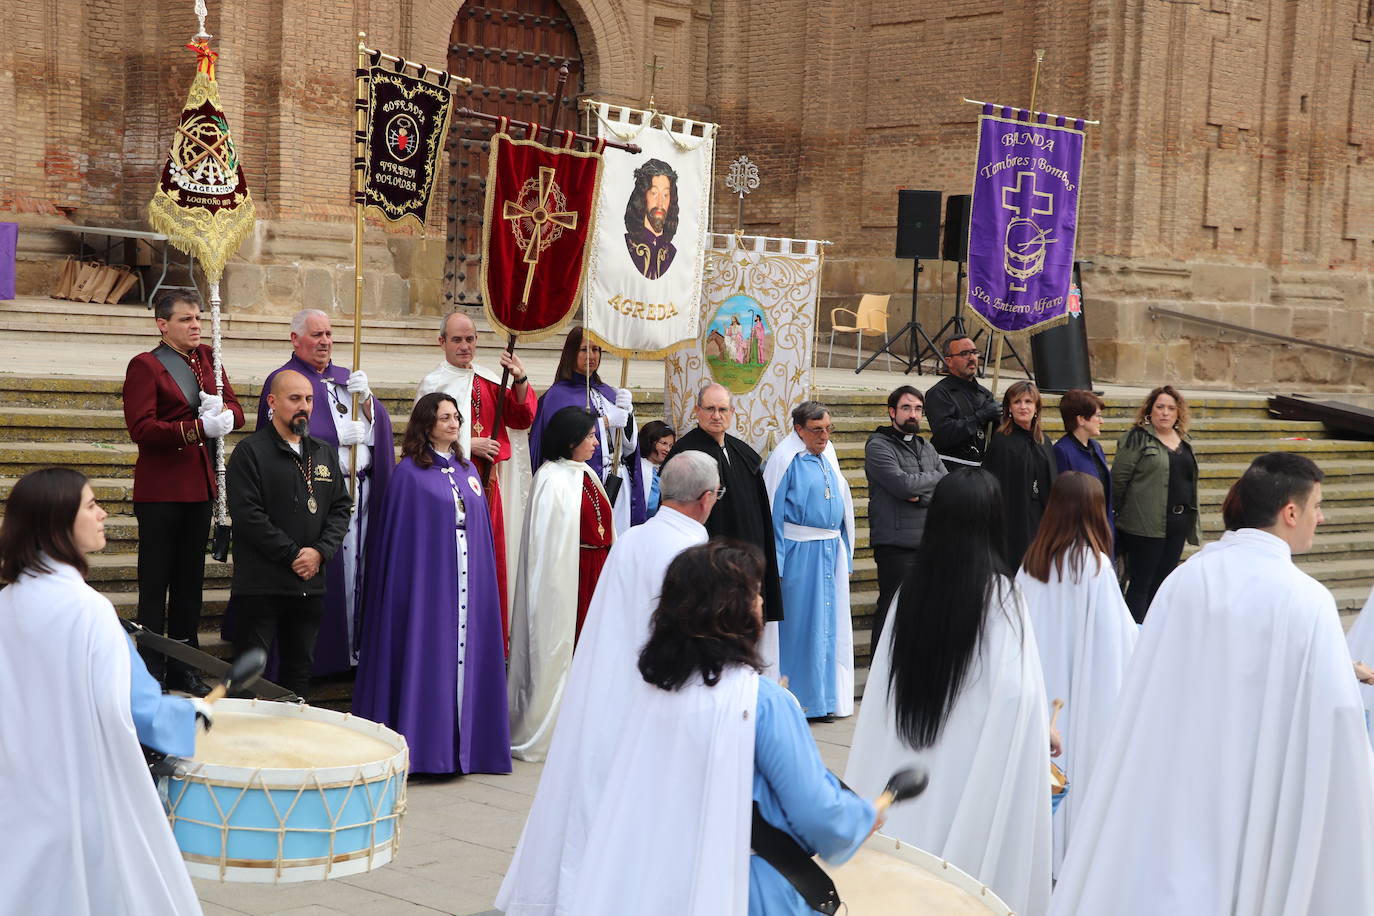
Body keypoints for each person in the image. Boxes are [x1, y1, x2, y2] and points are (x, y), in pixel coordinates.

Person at [1050, 453, 1374, 914]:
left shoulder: (1186, 578)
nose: (1321, 518)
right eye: (1318, 505)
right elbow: (1337, 719)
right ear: (1291, 512)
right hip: (1253, 797)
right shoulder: (1308, 601)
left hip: (1176, 786)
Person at [500, 541, 877, 915]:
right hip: (748, 885)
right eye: (756, 595)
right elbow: (814, 808)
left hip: (659, 880)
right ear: (732, 612)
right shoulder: (763, 702)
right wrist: (861, 818)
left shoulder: (654, 694)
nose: (762, 604)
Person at [496, 452, 720, 914]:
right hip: (661, 698)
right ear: (707, 499)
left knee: (595, 795)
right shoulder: (696, 556)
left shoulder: (633, 539)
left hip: (608, 691)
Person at [0, 467, 210, 915]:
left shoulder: (5, 607)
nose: (103, 514)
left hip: (15, 797)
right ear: (57, 523)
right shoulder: (89, 610)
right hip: (81, 795)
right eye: (91, 505)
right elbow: (133, 709)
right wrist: (193, 717)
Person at [845, 468, 1055, 916]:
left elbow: (882, 696)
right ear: (992, 520)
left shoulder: (908, 593)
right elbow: (1019, 696)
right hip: (972, 771)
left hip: (907, 772)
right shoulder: (1002, 599)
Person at [352, 393, 510, 775]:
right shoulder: (409, 475)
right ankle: (428, 751)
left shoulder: (468, 471)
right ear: (426, 425)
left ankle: (470, 749)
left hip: (468, 579)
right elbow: (403, 540)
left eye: (456, 417)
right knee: (428, 657)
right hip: (429, 584)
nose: (454, 424)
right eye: (444, 418)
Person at [242, 309, 393, 675]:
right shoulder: (285, 382)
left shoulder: (346, 379)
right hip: (316, 500)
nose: (325, 341)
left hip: (361, 494)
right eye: (316, 334)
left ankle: (357, 653)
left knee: (359, 573)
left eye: (329, 334)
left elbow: (379, 434)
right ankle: (326, 660)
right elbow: (282, 438)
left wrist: (370, 405)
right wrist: (335, 438)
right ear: (296, 339)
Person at [122, 288, 245, 694]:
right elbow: (142, 428)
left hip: (200, 485)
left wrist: (222, 415)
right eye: (186, 319)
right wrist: (197, 427)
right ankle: (150, 664)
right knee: (156, 581)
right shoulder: (146, 366)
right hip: (160, 488)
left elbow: (238, 412)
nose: (196, 325)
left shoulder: (211, 357)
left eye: (198, 318)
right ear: (163, 325)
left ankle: (184, 664)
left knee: (190, 582)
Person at [1015, 472, 1137, 876]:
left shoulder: (1031, 563)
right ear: (1093, 512)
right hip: (1080, 698)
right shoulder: (1096, 566)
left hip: (1036, 692)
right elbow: (1116, 642)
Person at [226, 369, 353, 699]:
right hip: (262, 585)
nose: (304, 406)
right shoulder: (250, 453)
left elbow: (341, 508)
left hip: (309, 584)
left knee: (298, 674)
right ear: (273, 401)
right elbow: (248, 515)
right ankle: (244, 748)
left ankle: (290, 742)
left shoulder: (323, 452)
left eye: (309, 399)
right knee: (250, 676)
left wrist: (320, 552)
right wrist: (292, 554)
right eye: (295, 398)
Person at [416, 310, 538, 640]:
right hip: (448, 485)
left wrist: (520, 379)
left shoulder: (488, 378)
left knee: (491, 557)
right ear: (442, 342)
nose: (464, 346)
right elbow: (421, 436)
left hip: (490, 482)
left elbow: (522, 417)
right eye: (456, 339)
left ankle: (490, 633)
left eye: (470, 339)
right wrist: (469, 444)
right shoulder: (433, 383)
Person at [507, 406, 614, 762]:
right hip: (569, 576)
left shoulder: (585, 473)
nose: (595, 443)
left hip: (596, 572)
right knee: (565, 649)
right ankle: (554, 726)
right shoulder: (551, 479)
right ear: (570, 440)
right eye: (589, 436)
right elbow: (546, 547)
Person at [763, 401, 856, 720]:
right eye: (817, 430)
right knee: (802, 629)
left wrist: (846, 549)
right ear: (799, 430)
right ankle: (799, 698)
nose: (825, 436)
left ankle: (825, 699)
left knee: (829, 629)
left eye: (829, 429)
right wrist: (776, 565)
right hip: (799, 554)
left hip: (829, 552)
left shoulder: (828, 454)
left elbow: (842, 506)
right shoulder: (785, 459)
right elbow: (772, 513)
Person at [665, 382, 785, 626]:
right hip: (711, 564)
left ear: (732, 413)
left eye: (722, 409)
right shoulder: (685, 455)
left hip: (748, 561)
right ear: (697, 411)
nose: (716, 416)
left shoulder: (742, 452)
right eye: (709, 409)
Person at [528, 327, 644, 532]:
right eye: (584, 349)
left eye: (596, 349)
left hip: (617, 481)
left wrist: (628, 413)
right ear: (571, 353)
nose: (591, 356)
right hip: (582, 483)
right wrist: (606, 421)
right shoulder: (558, 395)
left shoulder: (608, 392)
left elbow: (629, 446)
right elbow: (564, 439)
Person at [863, 385, 946, 647]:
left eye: (918, 409)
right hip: (895, 545)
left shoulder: (926, 446)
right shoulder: (878, 446)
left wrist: (920, 494)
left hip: (927, 541)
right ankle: (879, 677)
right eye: (906, 408)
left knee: (924, 614)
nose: (913, 414)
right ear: (892, 412)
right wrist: (926, 484)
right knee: (891, 613)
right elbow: (903, 486)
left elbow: (946, 483)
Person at [1111, 384, 1199, 623]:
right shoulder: (1136, 438)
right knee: (1141, 584)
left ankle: (1153, 637)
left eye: (1171, 408)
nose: (1165, 412)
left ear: (1178, 413)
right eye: (1160, 407)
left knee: (1163, 584)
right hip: (1143, 526)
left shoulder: (1183, 440)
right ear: (1149, 410)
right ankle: (1132, 637)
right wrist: (1119, 513)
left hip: (1177, 525)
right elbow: (1118, 480)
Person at [984, 380, 1056, 565]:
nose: (1023, 407)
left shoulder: (1044, 441)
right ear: (1009, 408)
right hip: (1014, 521)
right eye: (1017, 402)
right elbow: (996, 487)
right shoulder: (1002, 442)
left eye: (1028, 402)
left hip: (1041, 518)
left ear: (1037, 407)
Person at [925, 335, 1000, 471]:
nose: (972, 358)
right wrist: (981, 416)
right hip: (950, 470)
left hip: (980, 471)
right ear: (949, 361)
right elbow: (945, 434)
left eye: (974, 352)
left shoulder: (985, 394)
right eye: (964, 354)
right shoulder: (939, 393)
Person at [1052, 388, 1114, 546]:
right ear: (1081, 419)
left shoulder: (1095, 447)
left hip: (1102, 530)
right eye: (1097, 416)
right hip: (1079, 537)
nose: (1102, 421)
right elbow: (1063, 501)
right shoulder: (1062, 451)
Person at [622, 157, 679, 280]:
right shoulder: (626, 245)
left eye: (665, 195)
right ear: (643, 196)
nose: (660, 203)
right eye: (654, 193)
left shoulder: (671, 252)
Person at [635, 419, 675, 519]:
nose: (668, 449)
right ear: (650, 441)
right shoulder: (638, 469)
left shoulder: (669, 469)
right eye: (663, 443)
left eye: (671, 445)